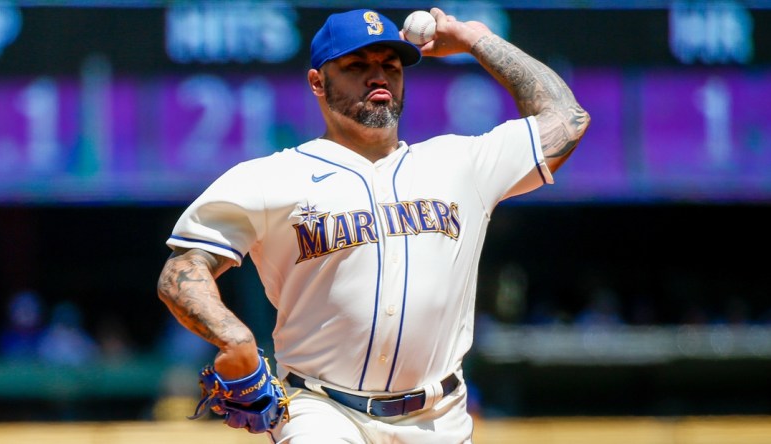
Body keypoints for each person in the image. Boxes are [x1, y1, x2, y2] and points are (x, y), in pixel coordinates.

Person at [157, 6, 589, 443]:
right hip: (320, 410)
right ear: (317, 83)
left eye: (390, 65)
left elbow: (567, 119)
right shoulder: (270, 178)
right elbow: (181, 270)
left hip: (439, 419)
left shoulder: (462, 164)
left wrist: (477, 39)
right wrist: (235, 338)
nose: (377, 76)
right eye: (357, 65)